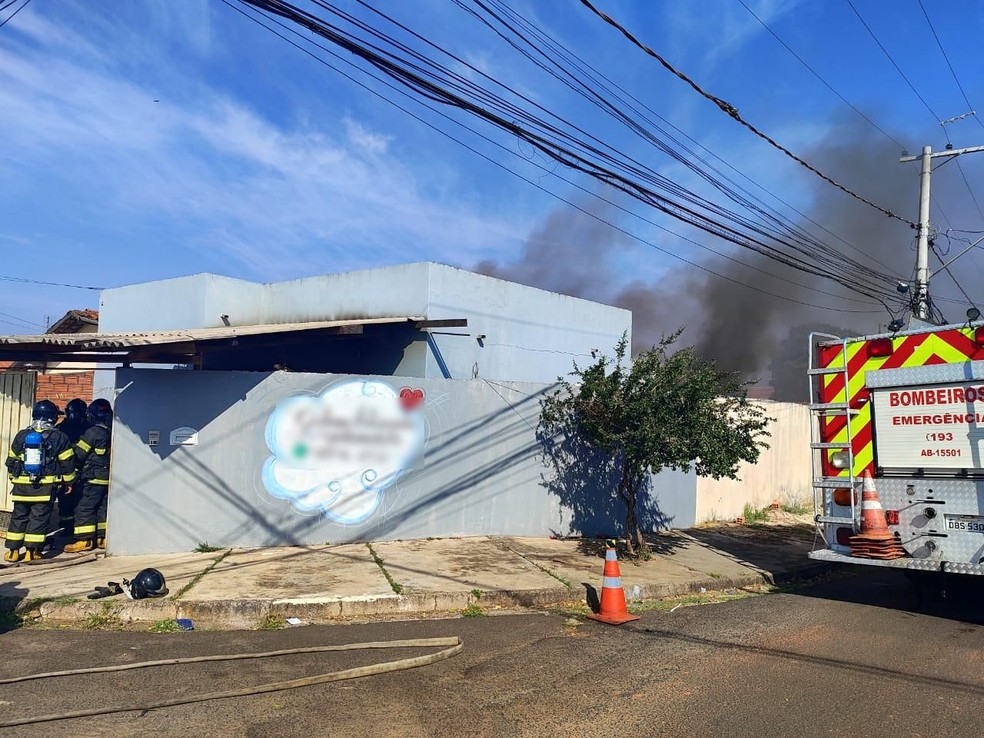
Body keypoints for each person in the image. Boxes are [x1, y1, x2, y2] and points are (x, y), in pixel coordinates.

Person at [4, 400, 76, 562]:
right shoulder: (59, 437)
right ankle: (32, 552)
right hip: (44, 488)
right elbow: (67, 463)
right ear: (52, 417)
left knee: (19, 517)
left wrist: (14, 480)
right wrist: (69, 482)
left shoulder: (21, 435)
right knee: (39, 518)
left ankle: (13, 552)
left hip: (21, 487)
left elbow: (11, 461)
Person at [64, 399, 113, 553]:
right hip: (107, 478)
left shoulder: (93, 432)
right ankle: (101, 538)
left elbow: (79, 454)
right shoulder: (113, 431)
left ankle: (84, 540)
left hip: (92, 478)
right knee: (102, 508)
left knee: (84, 507)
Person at [54, 398, 89, 538]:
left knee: (82, 502)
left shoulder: (88, 427)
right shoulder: (62, 428)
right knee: (65, 501)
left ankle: (79, 529)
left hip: (84, 470)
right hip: (66, 471)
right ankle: (67, 528)